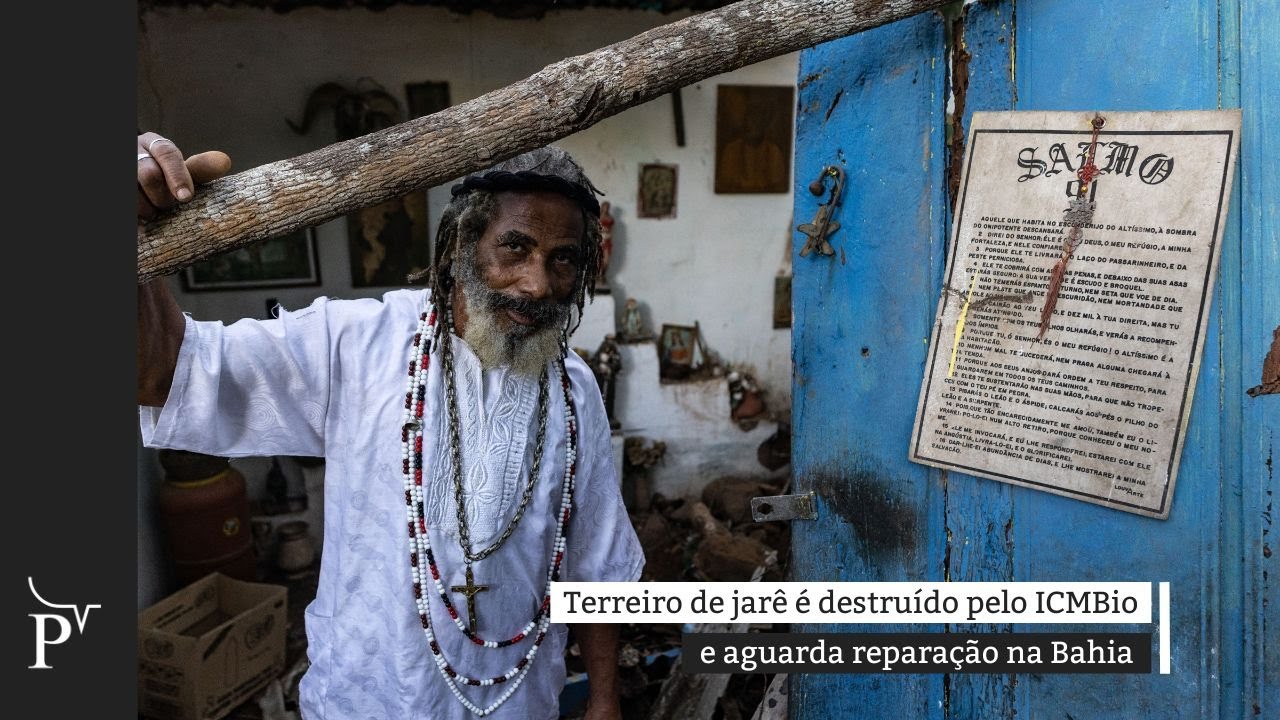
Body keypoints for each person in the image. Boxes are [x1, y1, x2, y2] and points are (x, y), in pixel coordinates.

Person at [137, 132, 644, 720]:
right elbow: (163, 375)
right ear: (460, 245)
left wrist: (604, 701)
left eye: (563, 259)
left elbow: (594, 564)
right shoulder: (353, 343)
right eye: (515, 248)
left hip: (518, 703)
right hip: (370, 697)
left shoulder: (573, 386)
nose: (538, 284)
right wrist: (136, 235)